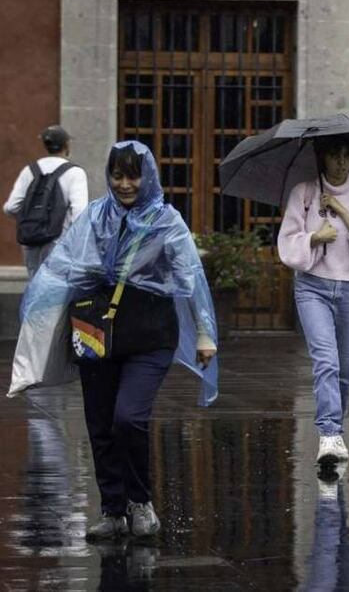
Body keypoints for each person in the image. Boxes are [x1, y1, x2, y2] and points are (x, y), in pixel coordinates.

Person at [14, 140, 219, 541]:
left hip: (150, 336)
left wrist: (206, 332)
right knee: (101, 424)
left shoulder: (166, 221)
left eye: (133, 175)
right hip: (96, 333)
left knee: (129, 417)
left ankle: (140, 502)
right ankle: (112, 510)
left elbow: (189, 278)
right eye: (117, 174)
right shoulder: (94, 217)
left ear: (148, 177)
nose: (125, 183)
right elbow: (64, 267)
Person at [278, 134, 349, 469]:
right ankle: (328, 433)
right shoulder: (304, 193)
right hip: (313, 288)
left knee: (346, 368)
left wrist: (342, 210)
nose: (340, 164)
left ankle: (336, 428)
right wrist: (315, 236)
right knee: (325, 360)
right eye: (334, 156)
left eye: (346, 156)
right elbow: (287, 245)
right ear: (322, 157)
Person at [3, 125, 89, 278]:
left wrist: (33, 218)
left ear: (45, 145)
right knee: (56, 290)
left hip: (31, 241)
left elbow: (10, 207)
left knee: (34, 286)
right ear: (67, 145)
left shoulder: (29, 170)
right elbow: (80, 213)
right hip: (59, 242)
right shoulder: (75, 173)